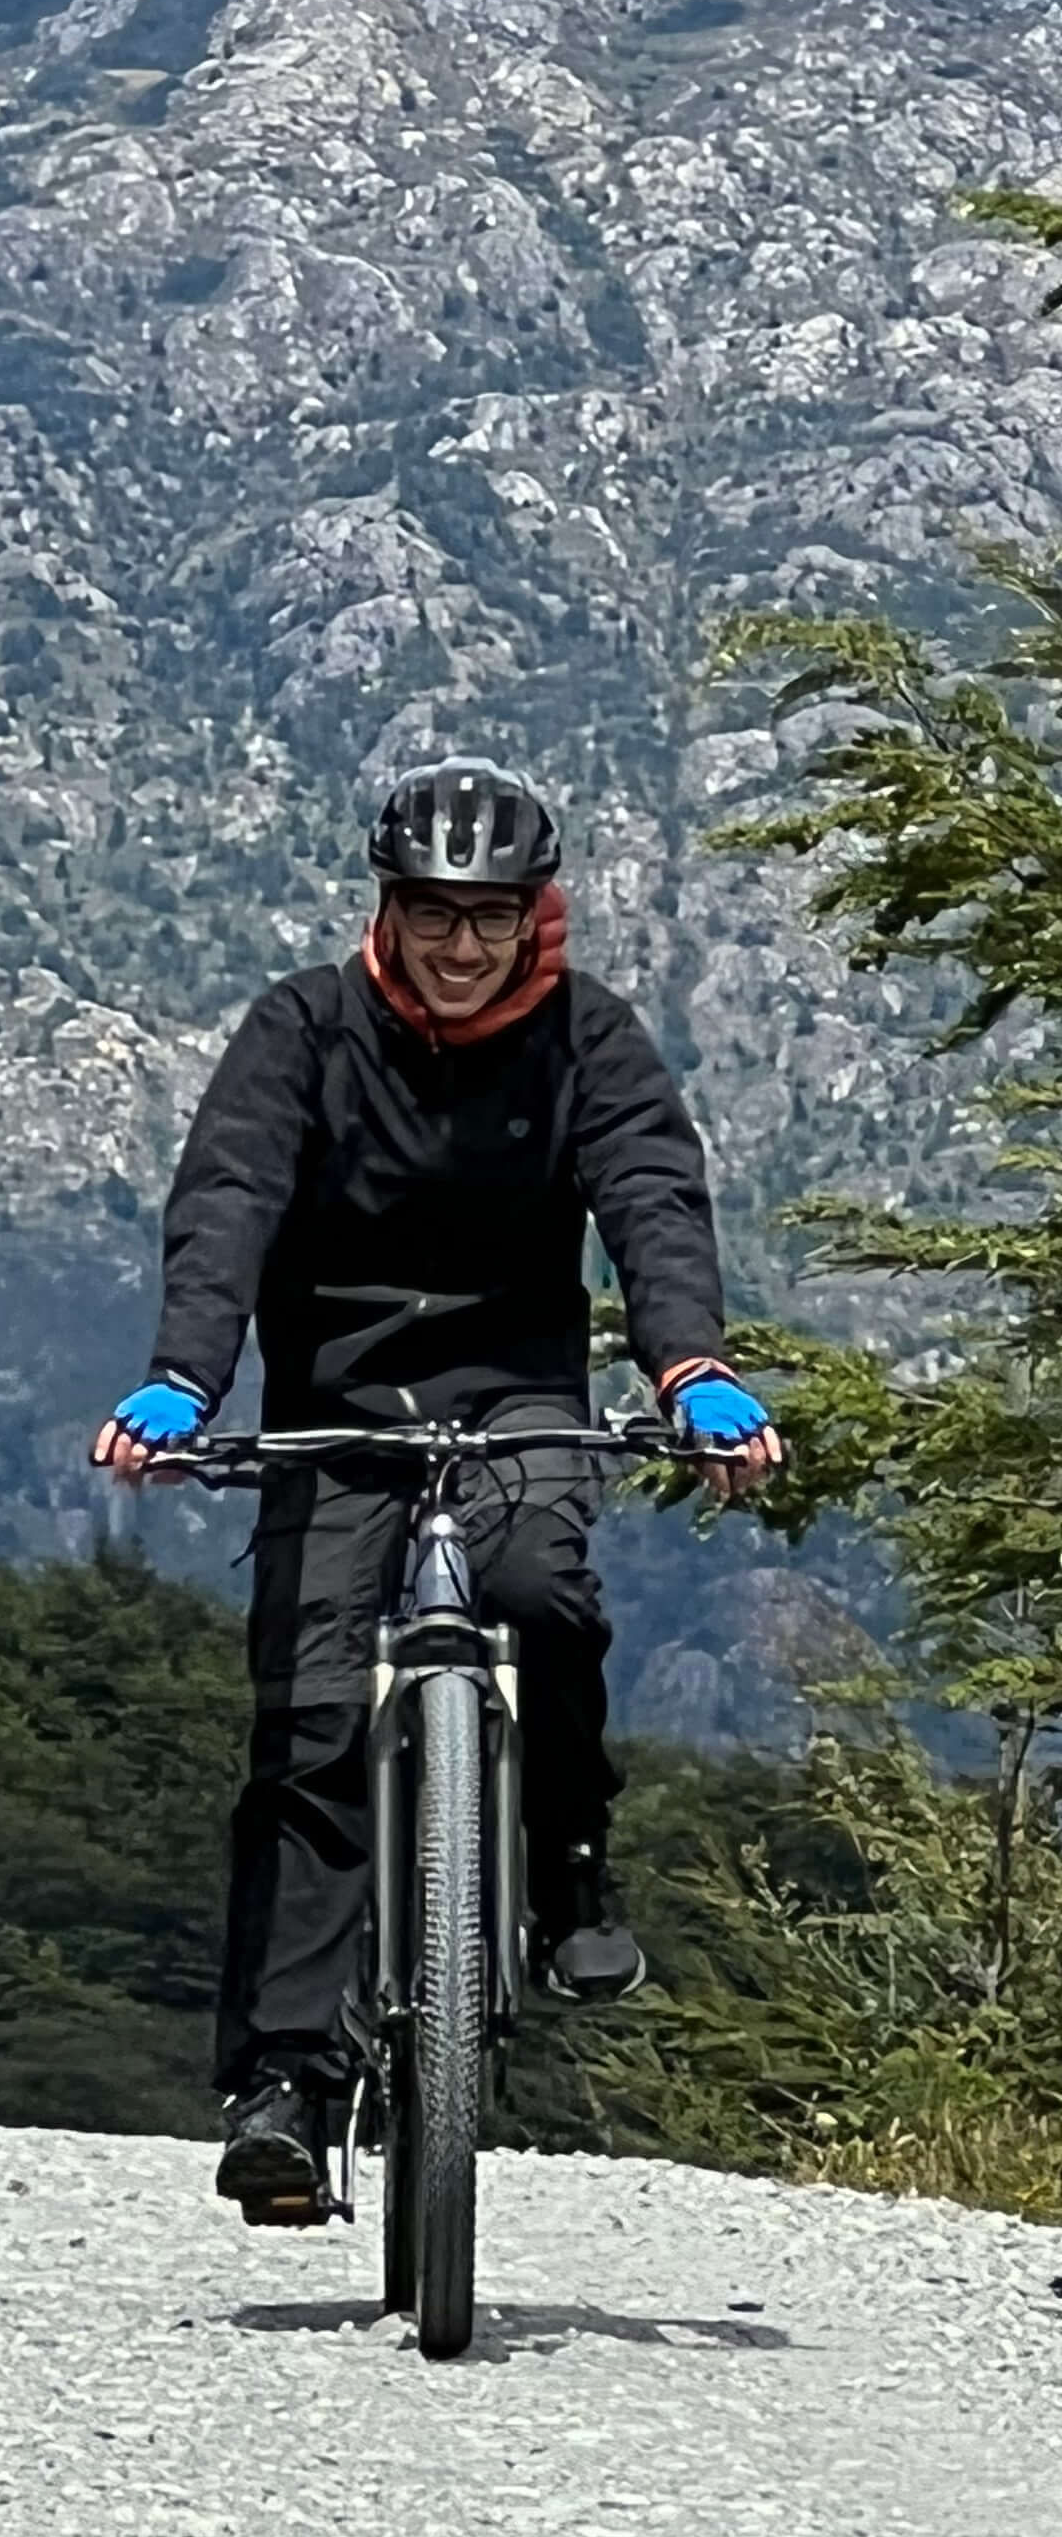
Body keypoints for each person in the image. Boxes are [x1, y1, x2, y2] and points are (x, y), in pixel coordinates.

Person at [88, 756, 781, 2225]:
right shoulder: (301, 1032)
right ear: (386, 911)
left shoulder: (592, 1041)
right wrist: (182, 1377)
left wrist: (693, 1373)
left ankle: (570, 1875)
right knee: (313, 1715)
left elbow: (652, 1201)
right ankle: (282, 2082)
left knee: (544, 1590)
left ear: (538, 916)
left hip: (517, 1385)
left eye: (489, 918)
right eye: (431, 916)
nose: (460, 948)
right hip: (339, 1398)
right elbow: (228, 1201)